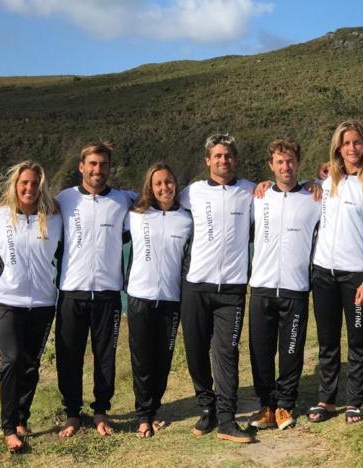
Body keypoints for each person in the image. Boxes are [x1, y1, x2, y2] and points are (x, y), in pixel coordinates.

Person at [307, 121, 363, 424]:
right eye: (346, 143)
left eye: (357, 142)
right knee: (328, 340)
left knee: (358, 341)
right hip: (323, 274)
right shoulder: (328, 182)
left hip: (354, 276)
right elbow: (307, 193)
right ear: (338, 148)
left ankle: (355, 401)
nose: (352, 148)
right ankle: (326, 400)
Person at [55, 141, 135, 437]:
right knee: (68, 356)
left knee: (105, 356)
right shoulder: (64, 199)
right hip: (71, 291)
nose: (97, 170)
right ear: (81, 167)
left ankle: (101, 411)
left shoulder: (123, 200)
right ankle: (72, 413)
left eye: (103, 165)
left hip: (108, 294)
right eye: (92, 164)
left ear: (109, 168)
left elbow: (158, 198)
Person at [180, 133, 256, 443]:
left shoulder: (252, 191)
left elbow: (283, 192)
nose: (223, 160)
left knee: (227, 352)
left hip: (232, 290)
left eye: (228, 155)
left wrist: (315, 183)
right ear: (207, 160)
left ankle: (226, 418)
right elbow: (158, 197)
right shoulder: (192, 192)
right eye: (217, 156)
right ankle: (207, 408)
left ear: (235, 160)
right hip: (196, 285)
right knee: (196, 352)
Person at [0, 161, 62, 451]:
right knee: (13, 360)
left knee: (30, 364)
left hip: (43, 302)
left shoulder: (55, 218)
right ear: (15, 185)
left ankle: (21, 418)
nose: (29, 188)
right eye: (24, 183)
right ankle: (9, 428)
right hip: (6, 300)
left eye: (34, 184)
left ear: (42, 187)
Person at [248, 138, 321, 431]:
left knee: (291, 351)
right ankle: (266, 406)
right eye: (279, 162)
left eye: (290, 160)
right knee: (260, 351)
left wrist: (319, 178)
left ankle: (285, 405)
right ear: (271, 166)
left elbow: (334, 181)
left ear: (298, 162)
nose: (285, 166)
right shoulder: (258, 196)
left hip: (295, 288)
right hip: (262, 287)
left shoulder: (315, 198)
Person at [124, 162, 193, 438]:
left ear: (176, 183)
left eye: (168, 182)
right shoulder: (135, 214)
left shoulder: (187, 219)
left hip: (170, 300)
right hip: (140, 296)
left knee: (162, 360)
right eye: (158, 184)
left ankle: (154, 411)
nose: (164, 187)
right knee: (141, 360)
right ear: (150, 188)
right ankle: (143, 417)